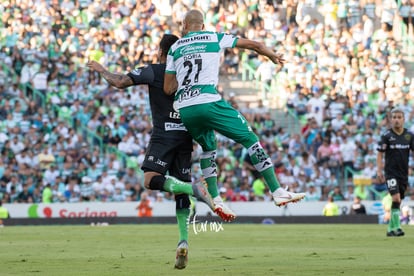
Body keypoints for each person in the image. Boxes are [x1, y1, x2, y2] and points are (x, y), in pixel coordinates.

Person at [87, 34, 217, 270]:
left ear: (160, 52)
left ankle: (193, 189)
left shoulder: (155, 70)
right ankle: (183, 241)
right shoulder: (191, 76)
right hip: (186, 137)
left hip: (163, 135)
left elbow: (119, 81)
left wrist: (100, 69)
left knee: (150, 180)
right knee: (180, 193)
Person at [164, 9, 305, 217]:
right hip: (208, 101)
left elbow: (168, 89)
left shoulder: (175, 47)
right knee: (250, 138)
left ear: (184, 27)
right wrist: (271, 54)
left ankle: (216, 198)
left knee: (208, 147)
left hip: (185, 108)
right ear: (202, 26)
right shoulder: (213, 37)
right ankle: (277, 190)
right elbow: (253, 45)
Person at [377, 107, 414, 237]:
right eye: (394, 117)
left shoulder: (409, 135)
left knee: (398, 202)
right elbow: (380, 154)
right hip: (390, 172)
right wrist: (379, 170)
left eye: (399, 117)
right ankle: (397, 227)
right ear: (391, 120)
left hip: (403, 174)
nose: (396, 120)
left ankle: (390, 229)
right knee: (396, 198)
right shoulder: (386, 136)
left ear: (404, 119)